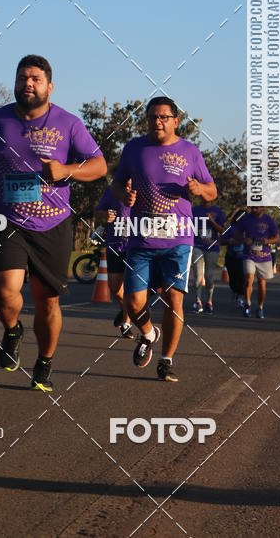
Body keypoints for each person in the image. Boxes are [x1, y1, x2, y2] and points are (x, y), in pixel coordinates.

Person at [0, 55, 106, 392]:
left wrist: (66, 170)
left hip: (52, 224)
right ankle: (13, 330)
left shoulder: (68, 123)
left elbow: (99, 165)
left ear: (49, 87)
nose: (28, 83)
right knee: (4, 292)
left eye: (35, 79)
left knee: (47, 301)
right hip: (8, 219)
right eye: (22, 78)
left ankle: (44, 361)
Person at [111, 96, 217, 383]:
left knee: (174, 299)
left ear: (175, 121)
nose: (157, 122)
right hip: (141, 239)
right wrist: (124, 195)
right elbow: (117, 183)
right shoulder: (134, 148)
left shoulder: (190, 151)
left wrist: (199, 189)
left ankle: (166, 360)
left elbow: (212, 190)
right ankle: (148, 334)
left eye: (163, 117)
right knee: (133, 302)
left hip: (178, 240)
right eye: (152, 118)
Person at [94, 185, 133, 338]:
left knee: (131, 287)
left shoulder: (143, 188)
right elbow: (97, 212)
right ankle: (126, 309)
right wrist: (105, 215)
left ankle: (126, 323)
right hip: (115, 245)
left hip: (136, 246)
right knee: (115, 288)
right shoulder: (112, 190)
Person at [235, 207, 279, 319]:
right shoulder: (245, 219)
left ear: (262, 207)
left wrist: (268, 241)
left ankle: (260, 307)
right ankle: (247, 304)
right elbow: (237, 235)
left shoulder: (269, 220)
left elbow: (277, 238)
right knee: (249, 278)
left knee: (261, 284)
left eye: (256, 207)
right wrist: (245, 239)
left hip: (264, 256)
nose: (254, 209)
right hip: (249, 254)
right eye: (252, 207)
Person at [190, 200, 225, 314]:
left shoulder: (217, 211)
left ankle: (209, 301)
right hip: (197, 246)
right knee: (197, 276)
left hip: (212, 247)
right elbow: (189, 227)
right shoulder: (194, 210)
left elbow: (222, 230)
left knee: (209, 277)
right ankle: (198, 301)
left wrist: (212, 221)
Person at [223, 209, 247, 308]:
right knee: (233, 279)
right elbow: (221, 240)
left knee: (242, 278)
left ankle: (241, 297)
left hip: (244, 257)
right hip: (231, 256)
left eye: (244, 217)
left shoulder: (249, 229)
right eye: (240, 216)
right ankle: (235, 292)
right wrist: (230, 241)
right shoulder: (231, 228)